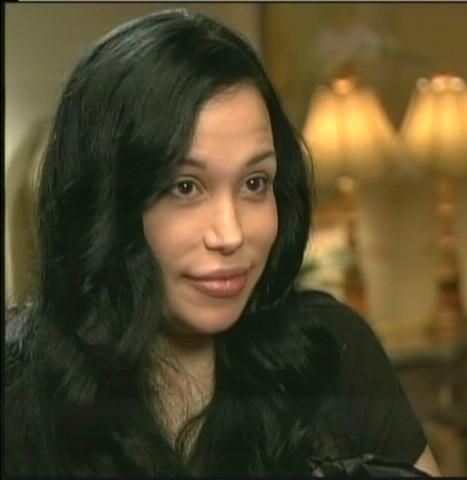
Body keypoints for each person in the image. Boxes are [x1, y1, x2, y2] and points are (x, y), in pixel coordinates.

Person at [4, 9, 440, 477]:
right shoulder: (18, 399)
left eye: (254, 183)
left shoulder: (333, 352)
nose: (231, 234)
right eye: (185, 188)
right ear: (105, 204)